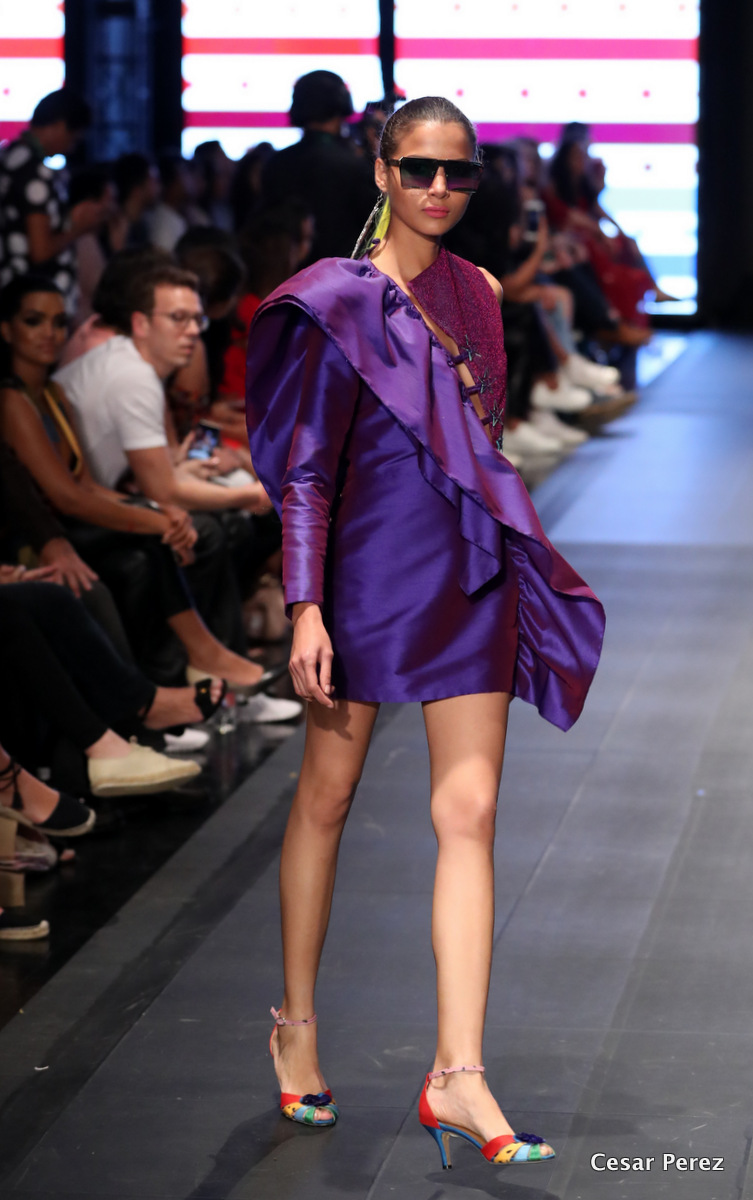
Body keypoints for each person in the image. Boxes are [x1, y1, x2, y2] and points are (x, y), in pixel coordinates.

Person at [245, 97, 605, 1163]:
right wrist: (304, 603)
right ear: (381, 171)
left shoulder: (479, 293)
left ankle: (459, 1074)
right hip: (361, 578)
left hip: (468, 570)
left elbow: (481, 443)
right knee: (327, 796)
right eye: (418, 169)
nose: (439, 189)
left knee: (471, 810)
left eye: (458, 172)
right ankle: (295, 1026)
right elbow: (306, 470)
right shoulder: (337, 302)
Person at [0, 88, 106, 310]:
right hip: (33, 302)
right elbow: (40, 250)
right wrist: (77, 227)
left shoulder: (10, 158)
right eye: (74, 138)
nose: (70, 148)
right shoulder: (35, 173)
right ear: (59, 126)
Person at [261, 70, 376, 263]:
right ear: (342, 103)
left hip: (290, 273)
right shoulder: (354, 166)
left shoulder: (276, 163)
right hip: (345, 272)